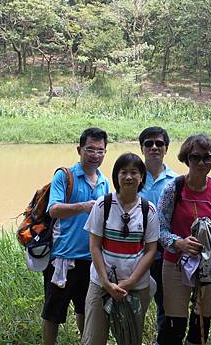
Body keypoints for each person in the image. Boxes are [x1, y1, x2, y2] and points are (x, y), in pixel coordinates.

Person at [157, 134, 211, 345]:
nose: (201, 163)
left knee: (201, 325)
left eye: (207, 158)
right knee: (174, 325)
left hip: (209, 265)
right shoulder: (174, 187)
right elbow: (159, 228)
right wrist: (179, 243)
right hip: (176, 265)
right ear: (186, 159)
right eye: (195, 157)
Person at [82, 152, 159, 345]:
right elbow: (95, 246)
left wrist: (130, 282)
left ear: (142, 177)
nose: (129, 177)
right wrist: (107, 282)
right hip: (101, 284)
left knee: (130, 339)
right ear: (116, 176)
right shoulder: (103, 204)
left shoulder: (148, 210)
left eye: (134, 172)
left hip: (136, 287)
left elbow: (151, 250)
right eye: (123, 172)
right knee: (93, 339)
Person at [42, 127, 111, 345]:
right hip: (63, 258)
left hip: (91, 259)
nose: (95, 155)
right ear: (79, 149)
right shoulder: (65, 176)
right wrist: (83, 206)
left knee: (86, 310)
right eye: (90, 149)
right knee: (53, 312)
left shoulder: (105, 182)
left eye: (100, 150)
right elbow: (53, 209)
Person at [137, 126, 178, 345]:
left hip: (166, 253)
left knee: (167, 303)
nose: (154, 147)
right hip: (136, 252)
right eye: (149, 143)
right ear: (141, 148)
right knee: (135, 302)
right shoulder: (132, 177)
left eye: (159, 143)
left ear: (166, 148)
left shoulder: (176, 181)